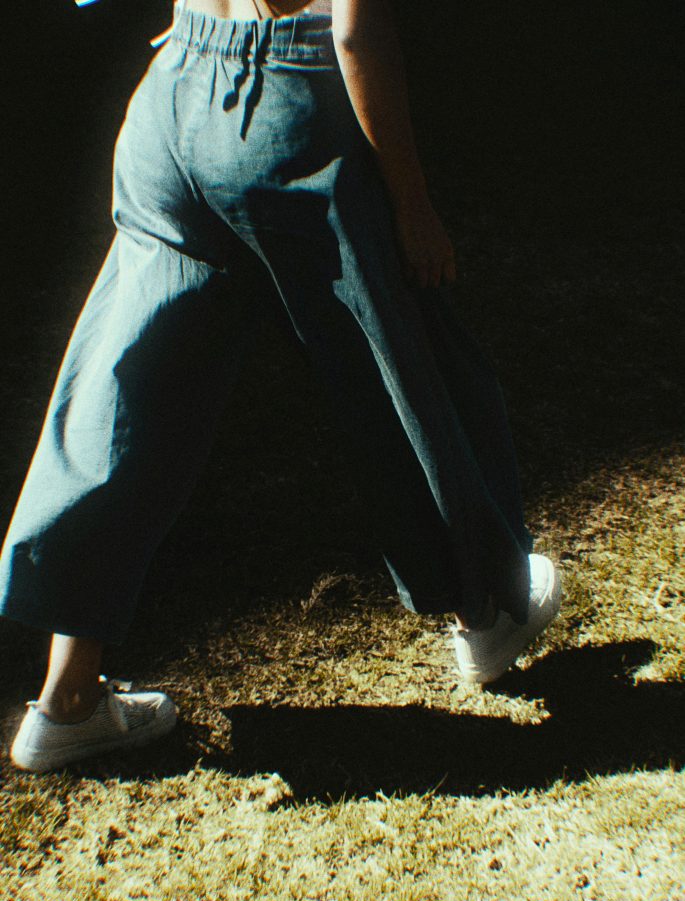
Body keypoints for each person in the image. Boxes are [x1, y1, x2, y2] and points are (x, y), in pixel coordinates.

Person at [3, 0, 561, 773]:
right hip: (294, 106)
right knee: (398, 357)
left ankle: (64, 699)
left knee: (126, 386)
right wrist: (411, 203)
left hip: (172, 102)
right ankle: (485, 612)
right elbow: (356, 32)